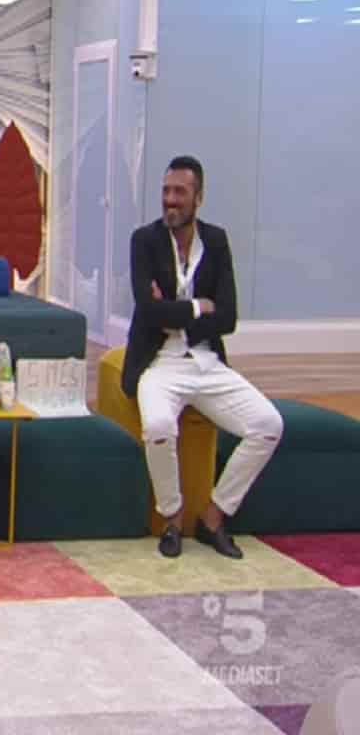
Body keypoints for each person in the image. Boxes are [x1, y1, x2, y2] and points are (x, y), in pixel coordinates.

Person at [124, 155, 283, 560]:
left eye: (180, 192)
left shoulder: (216, 241)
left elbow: (227, 317)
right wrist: (198, 307)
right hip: (159, 363)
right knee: (158, 426)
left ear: (199, 197)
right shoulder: (144, 241)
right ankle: (172, 519)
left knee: (268, 425)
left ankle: (213, 518)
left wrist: (174, 311)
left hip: (206, 361)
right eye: (166, 191)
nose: (170, 200)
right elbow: (148, 311)